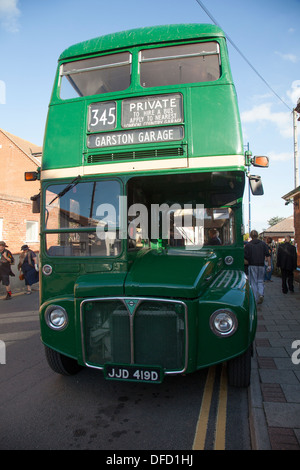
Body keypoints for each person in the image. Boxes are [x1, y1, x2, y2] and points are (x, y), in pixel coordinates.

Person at [244, 230, 271, 304]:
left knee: (253, 282)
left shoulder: (248, 245)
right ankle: (261, 294)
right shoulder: (263, 244)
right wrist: (269, 265)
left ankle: (255, 298)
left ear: (251, 236)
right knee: (260, 280)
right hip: (261, 265)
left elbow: (245, 257)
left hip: (252, 265)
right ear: (257, 235)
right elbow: (268, 255)